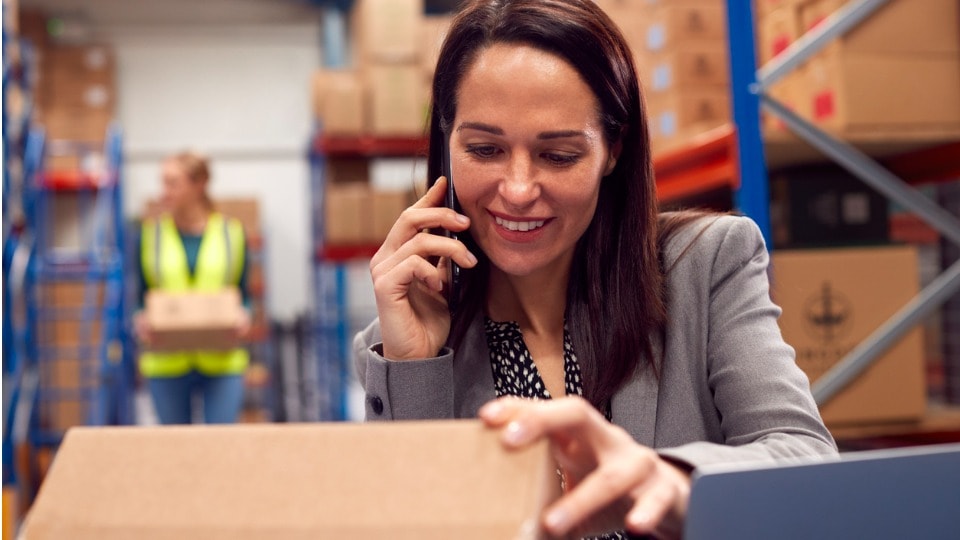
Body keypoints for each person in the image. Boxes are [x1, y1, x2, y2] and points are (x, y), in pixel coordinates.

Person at [353, 0, 837, 538]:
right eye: (485, 150)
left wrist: (673, 480)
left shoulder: (705, 265)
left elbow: (805, 457)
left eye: (558, 155)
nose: (517, 190)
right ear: (446, 142)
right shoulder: (399, 348)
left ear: (612, 150)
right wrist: (415, 369)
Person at [133, 151, 251, 425]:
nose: (165, 192)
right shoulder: (151, 234)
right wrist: (140, 317)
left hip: (222, 358)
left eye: (173, 183)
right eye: (163, 183)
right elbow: (141, 294)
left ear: (199, 185)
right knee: (176, 453)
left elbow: (243, 294)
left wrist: (245, 313)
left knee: (221, 449)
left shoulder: (231, 233)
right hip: (166, 359)